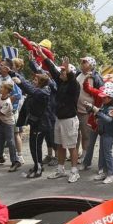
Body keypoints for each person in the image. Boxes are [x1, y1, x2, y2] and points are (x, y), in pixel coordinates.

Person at [40, 55, 81, 183]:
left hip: (69, 120)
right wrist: (42, 54)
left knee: (71, 146)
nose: (60, 73)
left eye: (63, 71)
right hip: (59, 119)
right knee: (60, 146)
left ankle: (74, 171)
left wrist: (67, 69)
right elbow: (52, 69)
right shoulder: (61, 82)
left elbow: (72, 79)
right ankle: (61, 169)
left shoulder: (74, 85)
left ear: (69, 73)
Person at [13, 70, 53, 178]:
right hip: (35, 123)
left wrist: (20, 83)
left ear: (41, 82)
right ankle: (37, 165)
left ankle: (38, 169)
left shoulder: (43, 92)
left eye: (36, 80)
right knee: (33, 145)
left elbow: (29, 89)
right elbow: (28, 86)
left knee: (35, 147)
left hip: (41, 124)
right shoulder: (38, 90)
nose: (33, 81)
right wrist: (14, 73)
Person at [0, 79, 20, 170]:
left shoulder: (7, 102)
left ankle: (15, 161)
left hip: (8, 123)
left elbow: (0, 114)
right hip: (1, 122)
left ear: (7, 90)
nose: (0, 88)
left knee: (10, 142)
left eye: (2, 87)